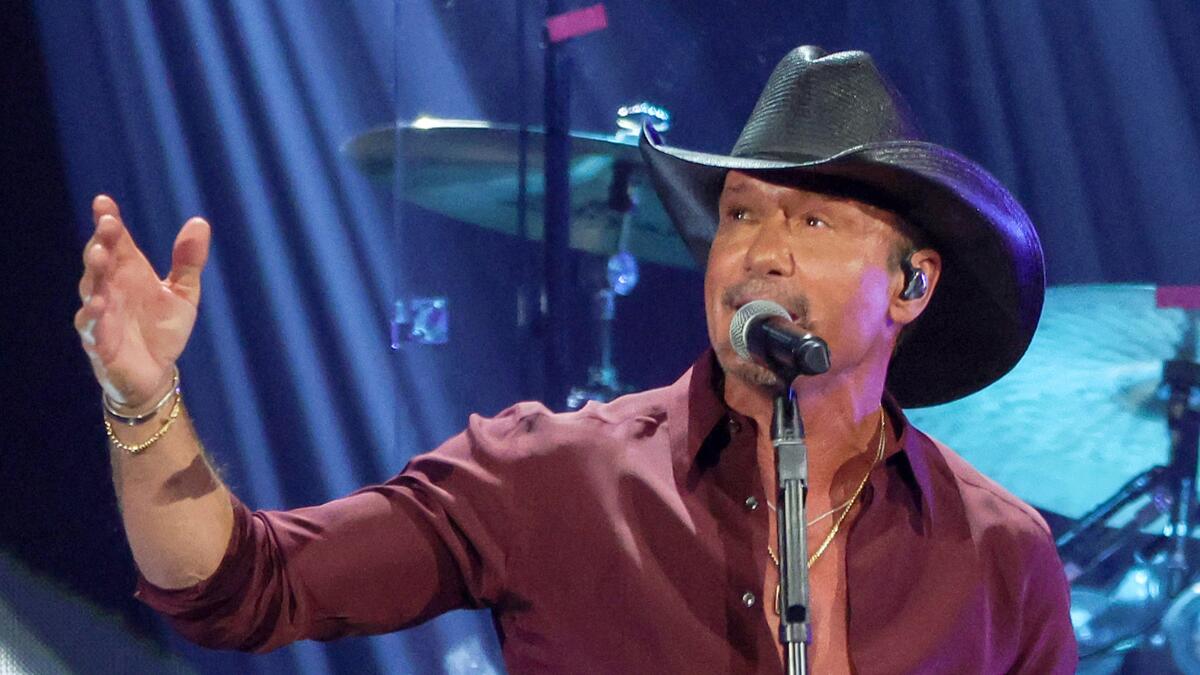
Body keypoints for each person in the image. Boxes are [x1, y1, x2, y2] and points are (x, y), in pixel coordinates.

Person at [75, 46, 1077, 673]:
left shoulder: (998, 553)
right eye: (739, 214)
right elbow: (241, 584)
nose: (759, 252)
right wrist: (142, 399)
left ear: (912, 286)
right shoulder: (548, 474)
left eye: (812, 220)